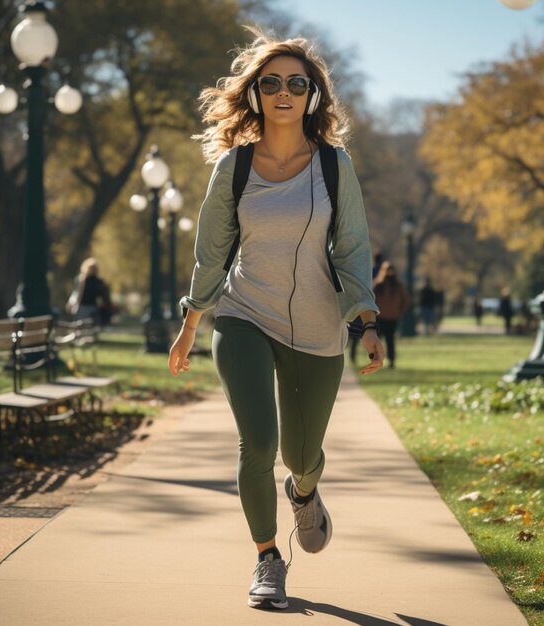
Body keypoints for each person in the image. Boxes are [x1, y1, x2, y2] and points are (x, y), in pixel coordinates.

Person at [167, 28, 384, 611]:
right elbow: (211, 252)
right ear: (256, 94)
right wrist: (192, 321)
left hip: (316, 328)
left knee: (298, 454)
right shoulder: (235, 168)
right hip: (243, 315)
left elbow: (352, 247)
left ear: (311, 94)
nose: (283, 92)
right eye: (271, 83)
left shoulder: (334, 167)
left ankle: (305, 489)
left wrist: (366, 318)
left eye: (296, 83)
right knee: (256, 443)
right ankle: (268, 558)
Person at [373, 261, 409, 368]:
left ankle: (390, 361)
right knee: (380, 341)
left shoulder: (397, 286)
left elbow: (405, 300)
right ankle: (377, 361)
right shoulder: (378, 285)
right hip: (380, 318)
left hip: (391, 318)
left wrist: (399, 311)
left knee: (389, 341)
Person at [66, 257, 113, 325]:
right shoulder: (98, 281)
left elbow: (75, 294)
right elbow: (104, 296)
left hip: (83, 308)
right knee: (91, 328)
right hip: (92, 308)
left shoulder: (81, 279)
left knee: (80, 327)